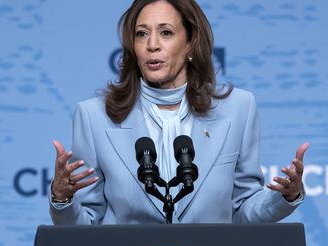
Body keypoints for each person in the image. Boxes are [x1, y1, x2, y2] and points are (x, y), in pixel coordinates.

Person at [49, 0, 309, 225]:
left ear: (190, 43)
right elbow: (85, 225)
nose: (152, 45)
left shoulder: (238, 109)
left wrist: (285, 197)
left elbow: (241, 210)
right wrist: (63, 198)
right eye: (141, 34)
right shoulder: (94, 116)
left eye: (166, 32)